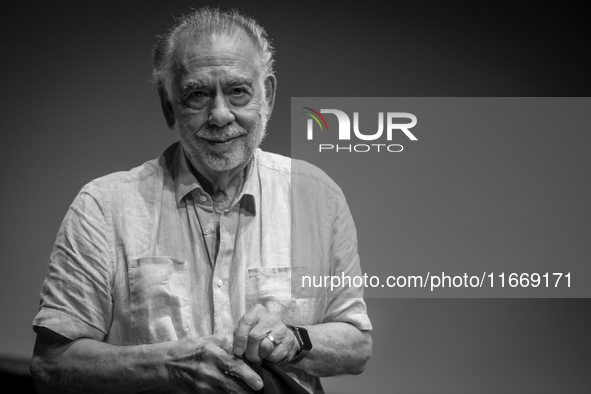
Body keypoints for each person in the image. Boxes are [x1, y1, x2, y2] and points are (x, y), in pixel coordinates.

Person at [30, 7, 372, 394]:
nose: (220, 114)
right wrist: (171, 366)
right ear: (168, 104)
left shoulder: (318, 196)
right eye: (197, 95)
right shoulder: (103, 207)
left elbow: (356, 344)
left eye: (238, 91)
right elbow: (50, 366)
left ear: (268, 96)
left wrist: (296, 338)